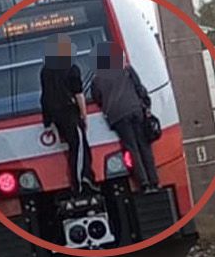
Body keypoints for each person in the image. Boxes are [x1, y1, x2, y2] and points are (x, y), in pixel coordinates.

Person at [87, 41, 160, 191]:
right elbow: (140, 88)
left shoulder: (97, 79)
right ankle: (154, 180)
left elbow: (97, 98)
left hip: (118, 116)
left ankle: (143, 183)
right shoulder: (126, 69)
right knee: (144, 146)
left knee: (131, 147)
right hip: (135, 109)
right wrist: (146, 105)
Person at [39, 33, 94, 191]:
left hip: (55, 114)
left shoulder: (45, 70)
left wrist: (47, 121)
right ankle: (81, 180)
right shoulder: (72, 68)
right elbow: (79, 94)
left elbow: (44, 96)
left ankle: (82, 178)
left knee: (75, 145)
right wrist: (83, 115)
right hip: (70, 112)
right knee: (79, 146)